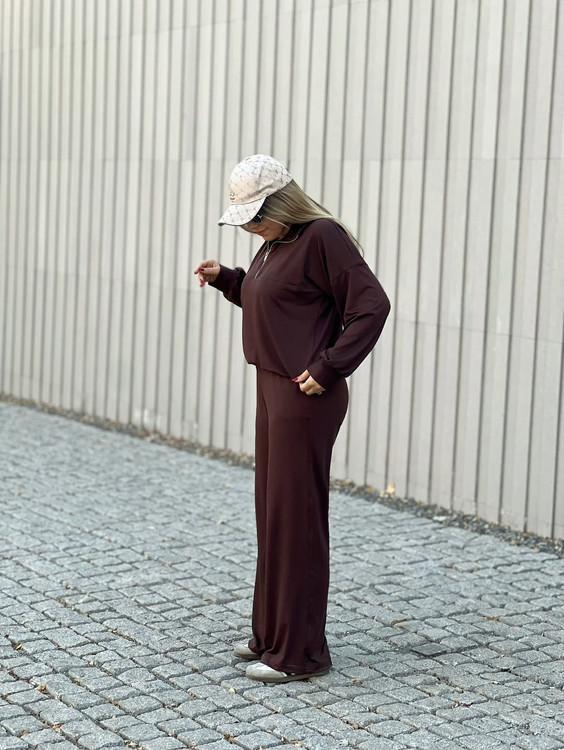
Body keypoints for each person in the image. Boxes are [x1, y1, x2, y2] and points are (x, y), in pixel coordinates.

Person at [194, 154, 390, 683]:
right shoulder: (275, 243)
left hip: (305, 395)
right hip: (272, 387)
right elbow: (279, 303)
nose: (251, 227)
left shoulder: (322, 236)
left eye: (257, 216)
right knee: (274, 512)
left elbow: (372, 306)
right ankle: (271, 635)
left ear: (282, 204)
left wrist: (329, 366)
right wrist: (227, 279)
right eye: (246, 220)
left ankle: (300, 654)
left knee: (296, 517)